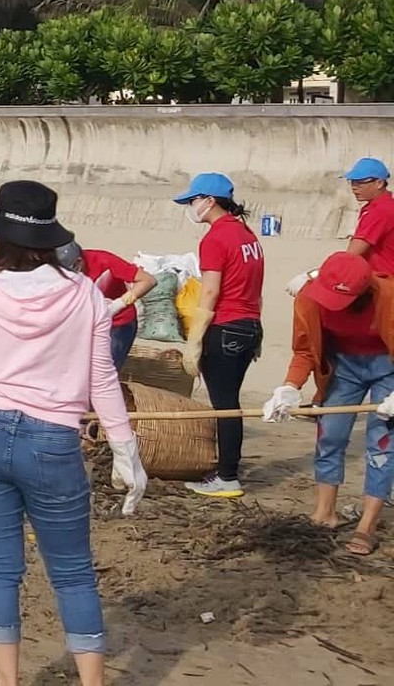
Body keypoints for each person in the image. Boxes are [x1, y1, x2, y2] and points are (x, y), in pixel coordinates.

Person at [0, 179, 144, 686]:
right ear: (50, 239)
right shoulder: (83, 293)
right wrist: (125, 447)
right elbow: (101, 378)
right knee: (73, 572)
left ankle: (7, 683)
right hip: (51, 439)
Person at [264, 251, 394, 557]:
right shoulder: (310, 298)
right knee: (329, 436)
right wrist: (289, 387)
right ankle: (325, 513)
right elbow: (305, 350)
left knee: (382, 443)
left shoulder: (388, 297)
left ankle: (367, 526)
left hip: (388, 368)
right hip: (344, 368)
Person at [172, 172, 265, 499]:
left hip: (225, 327)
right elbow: (256, 286)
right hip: (249, 325)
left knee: (224, 405)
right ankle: (226, 469)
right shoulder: (247, 234)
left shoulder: (215, 238)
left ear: (210, 201)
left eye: (193, 200)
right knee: (230, 401)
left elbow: (210, 292)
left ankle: (227, 475)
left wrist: (194, 341)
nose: (191, 206)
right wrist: (257, 329)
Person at [54, 242, 157, 369]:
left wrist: (117, 305)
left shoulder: (104, 261)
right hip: (83, 324)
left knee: (104, 370)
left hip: (117, 324)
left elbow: (148, 280)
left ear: (79, 262)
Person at [343, 158, 394, 274]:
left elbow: (352, 254)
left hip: (383, 280)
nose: (354, 187)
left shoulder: (380, 211)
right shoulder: (386, 206)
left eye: (360, 182)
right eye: (352, 182)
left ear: (379, 183)